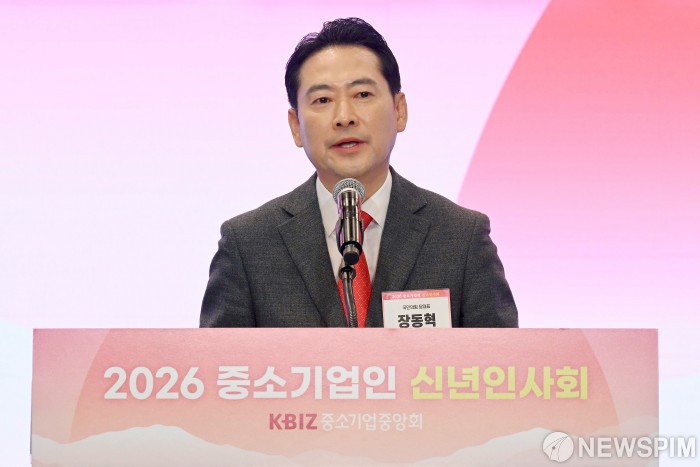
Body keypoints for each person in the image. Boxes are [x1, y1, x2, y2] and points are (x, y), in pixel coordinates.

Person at [200, 18, 517, 328]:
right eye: (322, 99)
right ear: (296, 126)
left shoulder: (460, 237)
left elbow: (499, 360)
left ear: (399, 110)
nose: (344, 117)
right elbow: (221, 363)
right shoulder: (248, 245)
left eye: (362, 94)